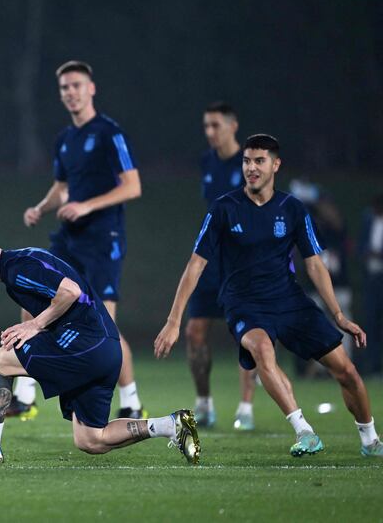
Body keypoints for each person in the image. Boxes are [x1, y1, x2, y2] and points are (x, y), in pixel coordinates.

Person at [154, 134, 382, 457]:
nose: (251, 168)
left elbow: (315, 265)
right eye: (247, 161)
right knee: (262, 349)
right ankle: (305, 432)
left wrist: (339, 315)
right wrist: (174, 320)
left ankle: (370, 440)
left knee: (347, 372)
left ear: (276, 165)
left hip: (289, 301)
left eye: (259, 161)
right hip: (243, 303)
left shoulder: (292, 209)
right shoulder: (224, 208)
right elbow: (194, 265)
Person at [0, 225, 199, 465]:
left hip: (85, 343)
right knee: (91, 440)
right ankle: (170, 425)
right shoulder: (18, 267)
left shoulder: (18, 267)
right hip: (104, 349)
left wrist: (35, 325)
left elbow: (71, 291)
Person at [17, 60, 146, 420]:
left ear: (92, 89)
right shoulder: (65, 139)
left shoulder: (110, 133)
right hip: (69, 239)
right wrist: (41, 208)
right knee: (29, 289)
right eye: (64, 88)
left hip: (104, 239)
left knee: (103, 326)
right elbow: (61, 188)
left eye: (76, 85)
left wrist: (86, 206)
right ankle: (24, 394)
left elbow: (133, 186)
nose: (70, 93)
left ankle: (132, 401)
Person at [188, 102, 257, 430]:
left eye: (215, 125)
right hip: (211, 261)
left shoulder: (250, 164)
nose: (209, 132)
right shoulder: (206, 162)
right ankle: (204, 405)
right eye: (205, 126)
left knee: (245, 335)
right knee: (195, 331)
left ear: (233, 126)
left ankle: (245, 408)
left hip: (241, 264)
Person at [289, 179, 354, 377]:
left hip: (338, 285)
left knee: (342, 326)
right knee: (311, 325)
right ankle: (316, 369)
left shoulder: (334, 227)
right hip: (313, 286)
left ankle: (344, 366)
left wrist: (316, 198)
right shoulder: (304, 226)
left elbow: (336, 222)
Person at [358, 194, 383, 376]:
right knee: (371, 321)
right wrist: (365, 254)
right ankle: (373, 366)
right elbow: (360, 245)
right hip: (371, 277)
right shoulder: (368, 220)